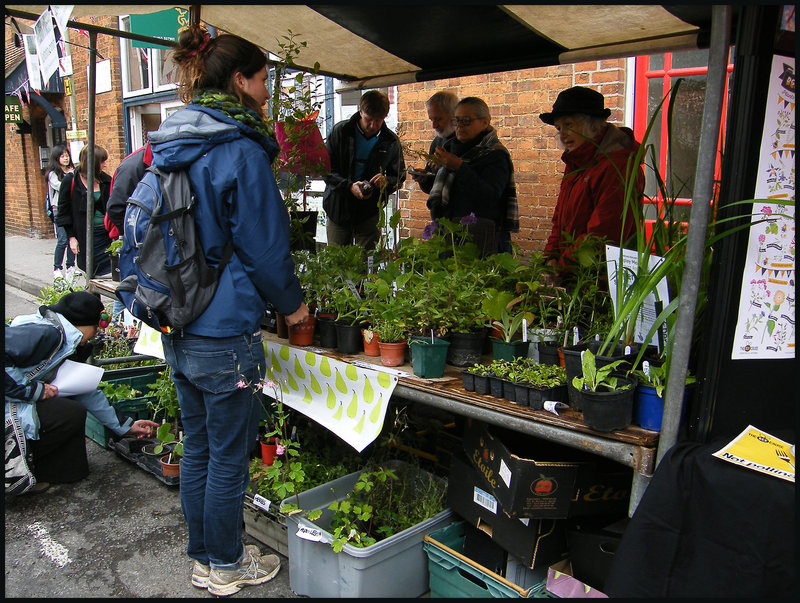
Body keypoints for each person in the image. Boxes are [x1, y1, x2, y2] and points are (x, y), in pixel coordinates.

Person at [149, 24, 309, 596]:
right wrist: (293, 307)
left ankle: (204, 557)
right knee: (228, 457)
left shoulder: (171, 144)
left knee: (198, 446)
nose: (268, 90)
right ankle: (225, 564)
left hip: (178, 319)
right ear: (240, 81)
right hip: (224, 327)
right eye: (264, 78)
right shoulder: (238, 149)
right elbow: (266, 247)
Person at [4, 291, 158, 495]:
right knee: (68, 413)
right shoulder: (49, 335)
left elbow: (85, 391)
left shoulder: (66, 344)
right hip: (11, 403)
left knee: (71, 411)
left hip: (15, 399)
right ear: (81, 324)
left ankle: (49, 473)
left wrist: (124, 426)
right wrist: (33, 390)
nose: (97, 334)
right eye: (97, 327)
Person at [540, 86, 644, 270]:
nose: (562, 134)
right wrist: (551, 256)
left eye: (569, 125)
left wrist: (562, 267)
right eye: (559, 128)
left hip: (601, 278)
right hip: (573, 272)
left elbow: (604, 233)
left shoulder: (617, 166)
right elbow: (560, 217)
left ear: (594, 124)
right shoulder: (576, 160)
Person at [426, 96, 519, 256]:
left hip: (482, 241)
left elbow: (490, 197)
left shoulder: (495, 155)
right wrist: (426, 179)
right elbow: (443, 193)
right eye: (457, 120)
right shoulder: (452, 149)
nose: (460, 126)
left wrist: (459, 167)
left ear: (484, 122)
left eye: (467, 121)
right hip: (450, 236)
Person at [322, 90, 406, 249]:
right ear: (360, 111)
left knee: (367, 265)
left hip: (369, 213)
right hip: (338, 209)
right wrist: (349, 186)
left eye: (378, 120)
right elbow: (326, 170)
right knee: (337, 264)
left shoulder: (390, 141)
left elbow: (399, 176)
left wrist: (386, 182)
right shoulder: (341, 132)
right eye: (368, 119)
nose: (373, 125)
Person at [56, 144, 113, 278]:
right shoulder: (70, 181)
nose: (104, 165)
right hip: (86, 236)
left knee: (111, 274)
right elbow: (64, 213)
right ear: (92, 163)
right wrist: (71, 238)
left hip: (107, 236)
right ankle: (93, 298)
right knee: (92, 273)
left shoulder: (106, 180)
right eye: (102, 161)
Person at [409, 91, 459, 195]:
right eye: (431, 119)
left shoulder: (465, 142)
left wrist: (446, 167)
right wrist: (424, 178)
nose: (434, 125)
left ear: (453, 115)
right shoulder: (437, 142)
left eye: (438, 119)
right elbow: (433, 188)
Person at [45, 145, 77, 281]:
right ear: (56, 158)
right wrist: (70, 176)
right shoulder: (53, 174)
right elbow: (59, 186)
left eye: (67, 155)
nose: (66, 158)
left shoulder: (73, 170)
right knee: (63, 240)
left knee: (73, 239)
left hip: (72, 208)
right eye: (62, 156)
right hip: (59, 210)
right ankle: (57, 268)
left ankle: (71, 266)